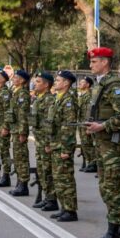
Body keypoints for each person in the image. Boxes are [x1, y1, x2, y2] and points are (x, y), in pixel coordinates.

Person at [85, 47, 120, 238]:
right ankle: (112, 232)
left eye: (94, 61)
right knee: (105, 188)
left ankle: (114, 233)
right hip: (102, 144)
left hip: (113, 145)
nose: (91, 65)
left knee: (113, 189)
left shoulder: (115, 86)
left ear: (105, 62)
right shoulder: (100, 84)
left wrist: (102, 126)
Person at [46, 70, 79, 221]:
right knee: (58, 178)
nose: (55, 82)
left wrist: (66, 148)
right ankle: (64, 207)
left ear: (66, 83)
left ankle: (71, 210)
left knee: (66, 178)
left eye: (58, 80)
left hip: (63, 145)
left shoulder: (68, 100)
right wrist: (49, 143)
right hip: (55, 143)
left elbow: (69, 127)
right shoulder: (57, 98)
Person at [30, 73, 58, 211]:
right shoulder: (38, 99)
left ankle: (52, 200)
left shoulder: (49, 100)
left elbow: (49, 124)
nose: (35, 84)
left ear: (46, 85)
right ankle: (47, 197)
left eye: (38, 82)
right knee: (42, 170)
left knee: (48, 171)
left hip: (45, 141)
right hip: (39, 141)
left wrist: (48, 143)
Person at [5, 70, 31, 196]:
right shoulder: (15, 92)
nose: (13, 79)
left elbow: (23, 115)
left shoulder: (23, 94)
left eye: (16, 77)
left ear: (22, 80)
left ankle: (23, 184)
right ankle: (19, 182)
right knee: (17, 157)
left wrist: (23, 132)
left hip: (19, 130)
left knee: (22, 158)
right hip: (14, 129)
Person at [77, 77, 96, 173]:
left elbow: (90, 111)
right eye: (80, 82)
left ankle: (93, 163)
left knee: (88, 144)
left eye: (82, 82)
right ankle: (89, 162)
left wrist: (89, 126)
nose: (80, 83)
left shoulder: (89, 95)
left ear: (88, 85)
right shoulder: (82, 95)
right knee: (84, 144)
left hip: (86, 123)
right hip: (81, 123)